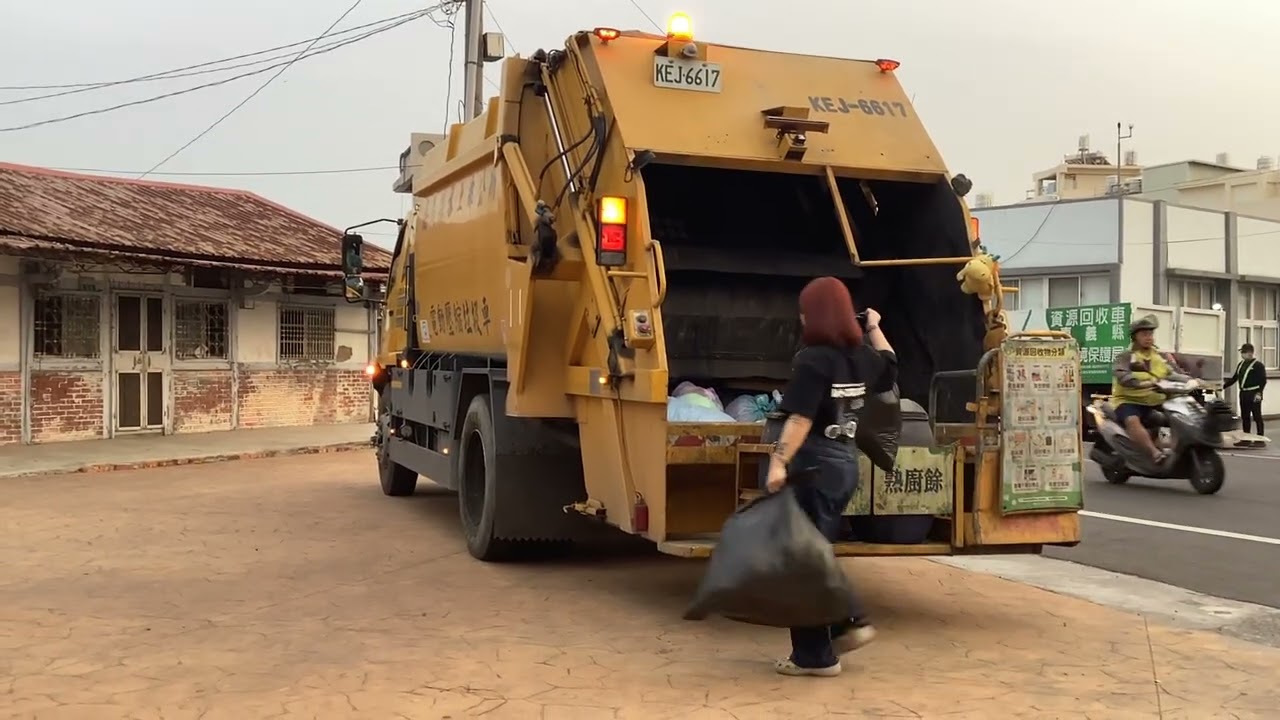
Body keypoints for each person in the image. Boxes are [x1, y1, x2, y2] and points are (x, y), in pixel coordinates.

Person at [763, 276, 897, 678]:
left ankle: (848, 620)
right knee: (806, 553)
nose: (801, 316)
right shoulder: (860, 357)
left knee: (805, 556)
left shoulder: (812, 360)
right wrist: (873, 326)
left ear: (815, 314)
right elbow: (891, 364)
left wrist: (778, 461)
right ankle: (816, 652)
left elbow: (801, 417)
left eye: (805, 309)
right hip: (844, 463)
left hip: (813, 464)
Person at [1111, 314, 1194, 462]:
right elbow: (1122, 375)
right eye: (1144, 334)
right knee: (1132, 421)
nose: (1148, 337)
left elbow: (1172, 374)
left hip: (1152, 402)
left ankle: (1172, 450)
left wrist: (1192, 380)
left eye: (1150, 334)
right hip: (1128, 401)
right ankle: (1154, 453)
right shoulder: (1126, 356)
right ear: (1135, 337)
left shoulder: (1159, 357)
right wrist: (1140, 383)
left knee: (1174, 418)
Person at [1225, 342, 1267, 446]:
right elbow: (1235, 378)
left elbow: (1263, 381)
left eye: (1244, 352)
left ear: (1250, 353)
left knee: (1257, 416)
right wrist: (1223, 386)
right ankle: (1246, 438)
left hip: (1254, 392)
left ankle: (1260, 439)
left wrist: (1259, 393)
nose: (1242, 355)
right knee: (1245, 416)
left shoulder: (1258, 365)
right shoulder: (1241, 365)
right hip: (1244, 393)